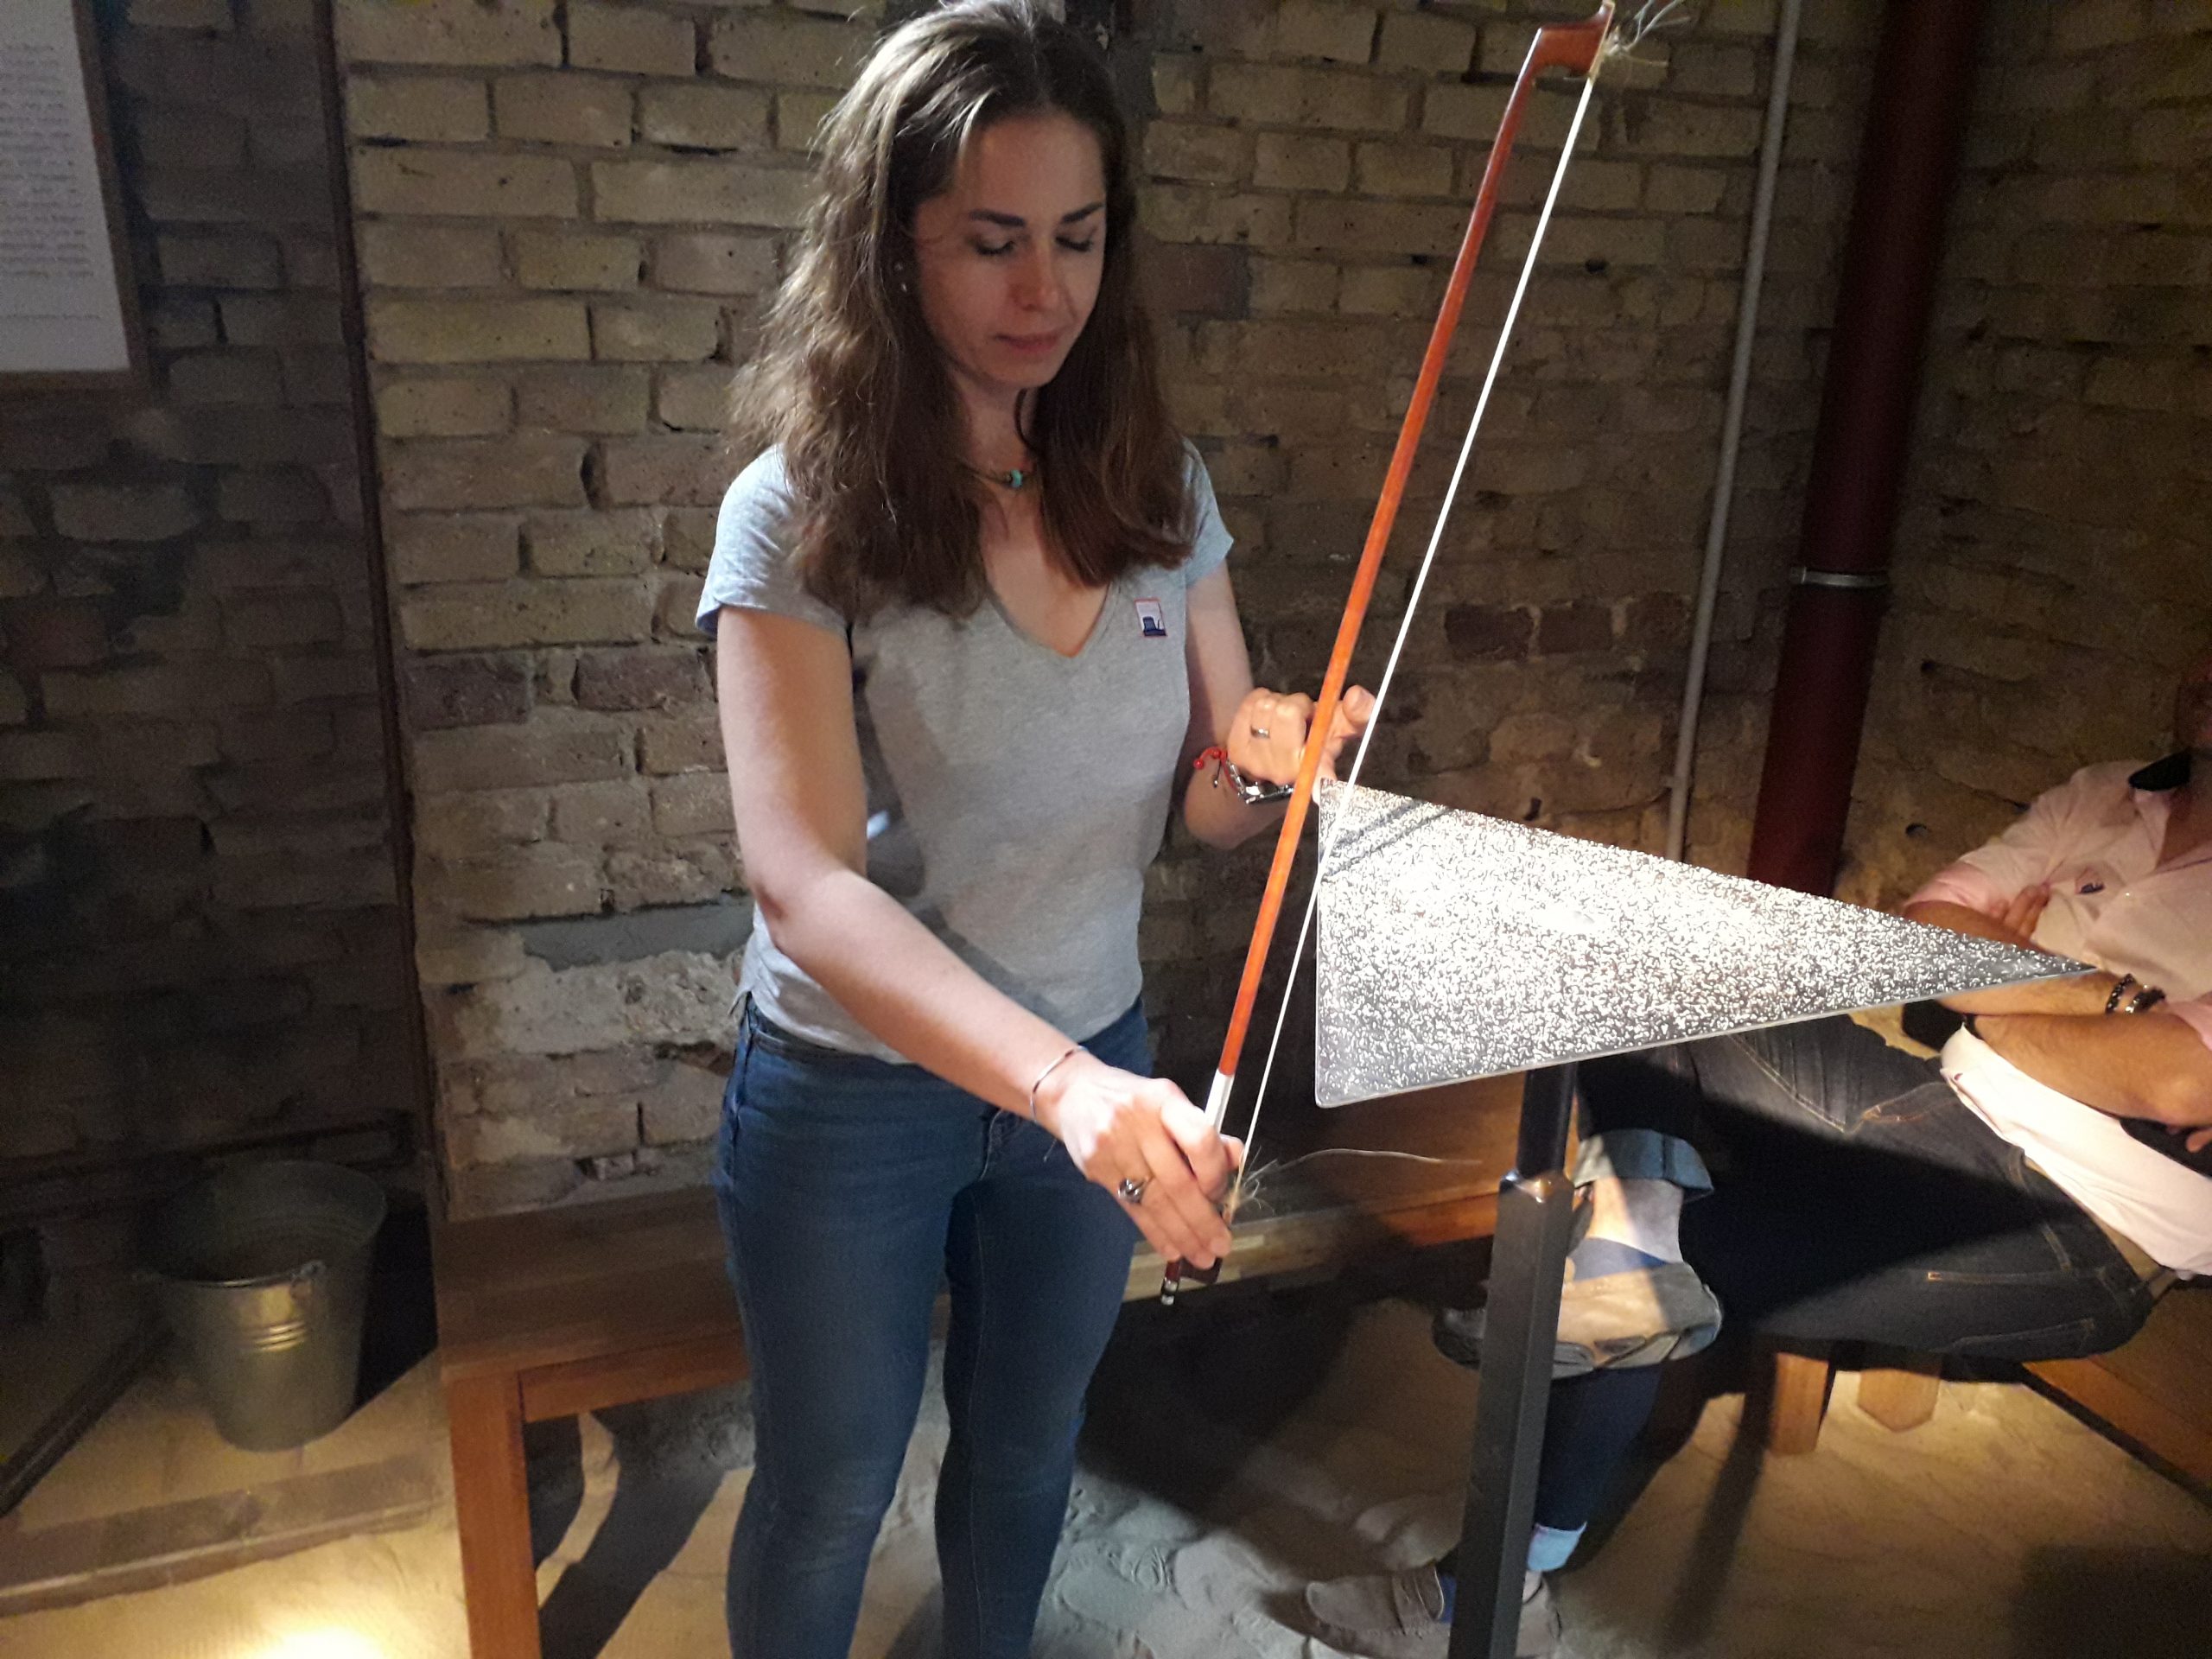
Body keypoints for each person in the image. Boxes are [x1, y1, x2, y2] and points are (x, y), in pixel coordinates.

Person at [698, 6, 1373, 1656]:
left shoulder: (1158, 488)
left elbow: (1213, 799)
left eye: (1077, 238)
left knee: (1023, 1457)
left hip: (1098, 1051)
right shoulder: (795, 510)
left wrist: (1274, 765)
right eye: (992, 242)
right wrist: (1065, 1090)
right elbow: (802, 887)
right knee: (828, 1489)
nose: (1044, 291)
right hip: (857, 1093)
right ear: (892, 247)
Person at [1304, 647, 2212, 1658]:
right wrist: (2119, 1003)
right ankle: (1632, 1241)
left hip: (2078, 1223)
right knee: (1640, 958)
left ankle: (1488, 1585)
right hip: (1927, 1098)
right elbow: (1926, 935)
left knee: (1630, 1275)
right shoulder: (2106, 794)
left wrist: (2010, 995)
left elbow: (2179, 1084)